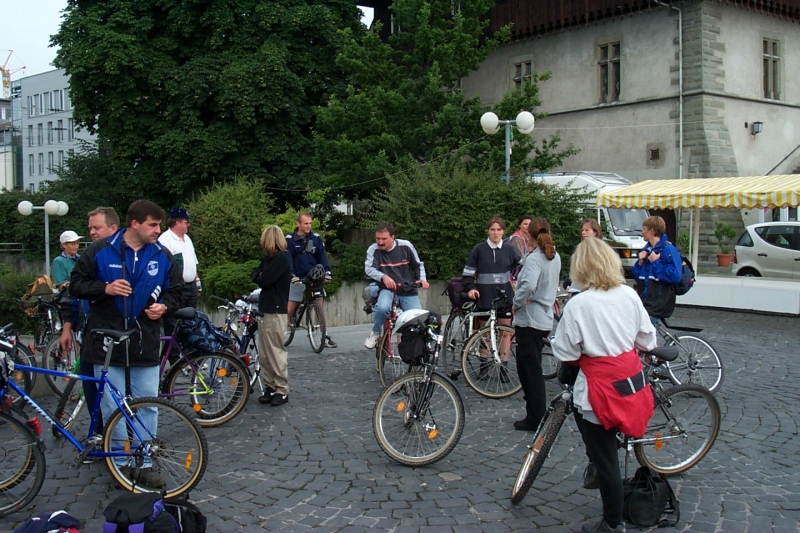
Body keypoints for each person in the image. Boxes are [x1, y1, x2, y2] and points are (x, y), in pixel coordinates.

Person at [69, 200, 183, 489]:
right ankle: (119, 463)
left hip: (144, 342)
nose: (158, 230)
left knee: (148, 404)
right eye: (153, 225)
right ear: (135, 224)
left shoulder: (162, 254)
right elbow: (76, 285)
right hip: (106, 342)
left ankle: (145, 461)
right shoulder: (99, 250)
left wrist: (164, 308)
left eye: (159, 224)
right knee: (112, 406)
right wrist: (104, 288)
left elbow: (178, 293)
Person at [552, 237, 656, 533]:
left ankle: (613, 523)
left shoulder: (579, 303)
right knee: (607, 451)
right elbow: (648, 339)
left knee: (605, 458)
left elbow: (567, 353)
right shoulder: (629, 295)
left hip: (598, 388)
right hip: (630, 383)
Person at [59, 207, 120, 433]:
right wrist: (67, 327)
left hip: (114, 338)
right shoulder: (89, 256)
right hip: (88, 336)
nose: (93, 232)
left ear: (113, 229)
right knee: (91, 389)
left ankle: (115, 439)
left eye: (97, 228)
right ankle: (98, 434)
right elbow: (73, 296)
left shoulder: (121, 258)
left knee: (114, 392)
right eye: (90, 228)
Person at [511, 217, 561, 431]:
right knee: (533, 366)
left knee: (529, 369)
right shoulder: (554, 255)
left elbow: (529, 284)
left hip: (530, 318)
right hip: (544, 316)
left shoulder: (535, 258)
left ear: (528, 235)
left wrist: (516, 301)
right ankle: (536, 412)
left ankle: (536, 415)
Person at [462, 215, 521, 378]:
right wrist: (471, 288)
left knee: (505, 332)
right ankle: (484, 366)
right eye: (493, 229)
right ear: (488, 231)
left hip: (504, 296)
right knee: (485, 332)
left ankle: (504, 368)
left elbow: (521, 267)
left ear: (504, 231)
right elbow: (467, 274)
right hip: (484, 296)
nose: (496, 233)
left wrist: (516, 282)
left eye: (499, 230)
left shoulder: (510, 250)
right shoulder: (479, 250)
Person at [364, 223, 429, 349]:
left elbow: (418, 265)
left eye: (384, 239)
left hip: (407, 290)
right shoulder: (373, 249)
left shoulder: (405, 246)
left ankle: (416, 349)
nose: (380, 242)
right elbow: (369, 269)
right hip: (387, 290)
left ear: (393, 237)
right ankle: (375, 333)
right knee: (382, 308)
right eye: (378, 238)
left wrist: (422, 279)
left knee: (417, 319)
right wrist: (383, 277)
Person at [252, 225, 292, 406]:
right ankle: (270, 385)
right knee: (265, 353)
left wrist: (260, 275)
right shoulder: (268, 259)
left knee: (275, 351)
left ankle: (281, 388)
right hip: (265, 309)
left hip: (276, 310)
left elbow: (264, 279)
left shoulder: (281, 259)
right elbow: (255, 275)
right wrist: (259, 275)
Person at [285, 212, 336, 349]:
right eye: (306, 223)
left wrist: (327, 272)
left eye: (310, 223)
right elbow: (288, 259)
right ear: (298, 224)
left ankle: (322, 335)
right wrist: (292, 275)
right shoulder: (290, 240)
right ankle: (280, 334)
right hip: (297, 277)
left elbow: (322, 257)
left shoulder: (316, 238)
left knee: (319, 308)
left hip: (314, 277)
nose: (308, 226)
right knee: (289, 308)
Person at [158, 207, 200, 362]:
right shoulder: (166, 239)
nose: (188, 225)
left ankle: (190, 357)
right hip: (177, 288)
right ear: (177, 222)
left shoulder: (187, 239)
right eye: (186, 222)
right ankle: (174, 360)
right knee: (173, 324)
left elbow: (193, 263)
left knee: (191, 323)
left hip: (191, 287)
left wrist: (198, 283)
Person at [633, 215, 682, 321]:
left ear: (652, 231)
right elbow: (638, 278)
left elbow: (675, 276)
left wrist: (656, 262)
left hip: (658, 303)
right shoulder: (647, 250)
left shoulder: (668, 249)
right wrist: (640, 263)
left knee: (640, 333)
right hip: (645, 301)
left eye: (644, 229)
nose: (642, 232)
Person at [563, 218, 603, 293]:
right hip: (578, 290)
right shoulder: (577, 249)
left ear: (595, 232)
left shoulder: (602, 249)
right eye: (582, 230)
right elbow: (572, 270)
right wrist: (567, 284)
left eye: (587, 230)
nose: (583, 233)